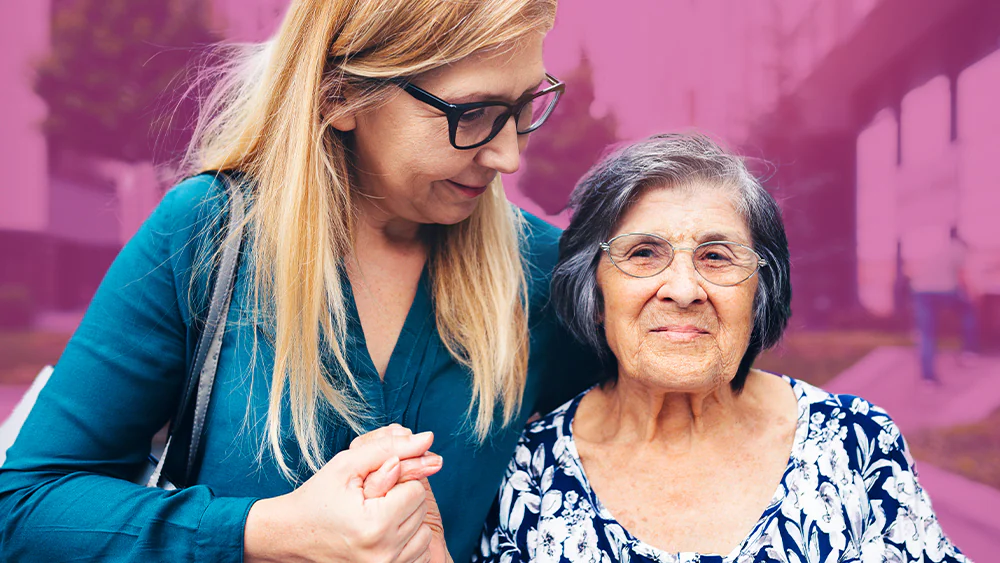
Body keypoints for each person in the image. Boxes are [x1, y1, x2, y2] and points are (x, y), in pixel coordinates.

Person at [0, 0, 596, 561]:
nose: (508, 157)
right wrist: (269, 532)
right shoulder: (210, 233)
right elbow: (23, 507)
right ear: (339, 96)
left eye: (525, 107)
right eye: (472, 114)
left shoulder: (545, 272)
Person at [477, 134, 968, 562]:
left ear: (759, 293)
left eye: (716, 256)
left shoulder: (857, 444)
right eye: (643, 253)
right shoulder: (528, 471)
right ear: (595, 291)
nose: (684, 290)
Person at [903, 225, 981, 383]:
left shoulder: (938, 249)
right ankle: (969, 351)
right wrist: (972, 294)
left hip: (921, 291)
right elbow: (962, 275)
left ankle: (928, 378)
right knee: (968, 310)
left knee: (926, 333)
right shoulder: (959, 249)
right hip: (945, 290)